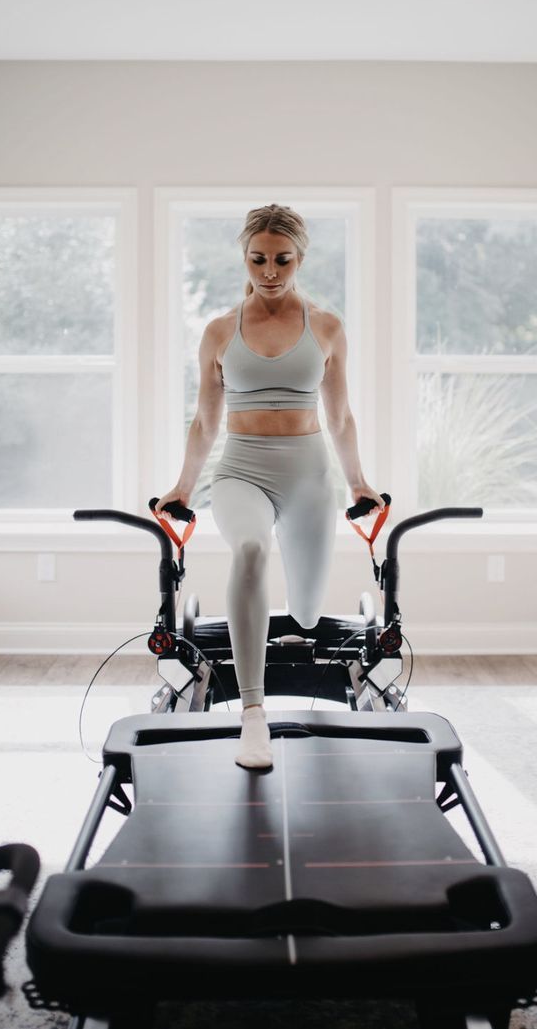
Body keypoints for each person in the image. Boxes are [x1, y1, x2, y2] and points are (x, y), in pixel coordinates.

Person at [156, 204, 385, 769]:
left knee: (306, 616)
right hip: (241, 469)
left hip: (309, 475)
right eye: (258, 259)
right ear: (244, 257)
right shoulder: (218, 331)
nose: (270, 271)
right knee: (252, 550)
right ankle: (252, 715)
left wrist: (359, 485)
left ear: (300, 258)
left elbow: (341, 418)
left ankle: (282, 640)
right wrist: (183, 488)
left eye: (282, 259)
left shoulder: (327, 327)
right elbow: (206, 421)